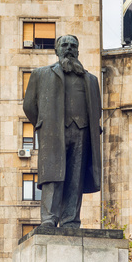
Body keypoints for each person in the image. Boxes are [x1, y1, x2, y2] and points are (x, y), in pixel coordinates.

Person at [23, 34, 102, 229]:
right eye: (64, 45)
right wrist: (45, 126)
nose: (68, 48)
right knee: (53, 176)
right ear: (56, 50)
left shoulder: (91, 80)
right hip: (54, 133)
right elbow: (29, 106)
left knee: (75, 179)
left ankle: (70, 220)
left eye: (72, 45)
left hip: (82, 133)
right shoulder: (41, 74)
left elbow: (97, 109)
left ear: (78, 50)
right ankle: (49, 218)